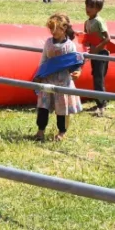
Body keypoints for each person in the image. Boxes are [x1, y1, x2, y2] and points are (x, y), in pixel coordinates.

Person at [33, 13, 82, 141]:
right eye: (51, 29)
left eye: (55, 29)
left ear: (64, 28)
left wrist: (77, 71)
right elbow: (43, 59)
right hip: (48, 80)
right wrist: (39, 74)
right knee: (43, 107)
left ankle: (61, 132)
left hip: (63, 82)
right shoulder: (48, 42)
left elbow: (74, 62)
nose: (52, 32)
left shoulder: (70, 45)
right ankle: (40, 131)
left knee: (62, 110)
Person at [83, 0, 110, 114]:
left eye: (91, 7)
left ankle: (101, 105)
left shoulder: (99, 21)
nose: (87, 8)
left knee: (99, 78)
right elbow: (88, 37)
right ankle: (102, 100)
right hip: (94, 54)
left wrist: (97, 48)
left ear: (98, 9)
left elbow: (107, 38)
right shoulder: (87, 22)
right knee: (96, 77)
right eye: (87, 6)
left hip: (101, 53)